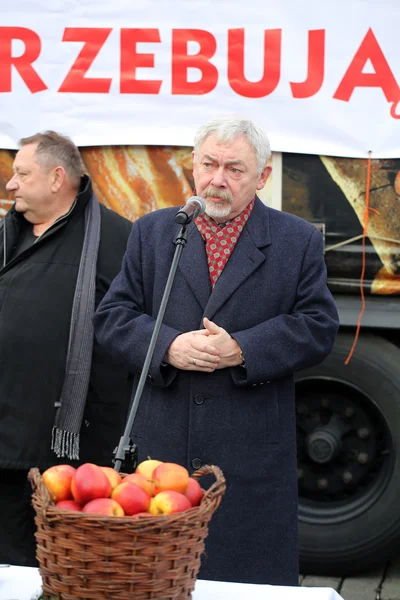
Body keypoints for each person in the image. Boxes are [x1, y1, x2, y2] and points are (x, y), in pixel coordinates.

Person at [93, 116, 339, 585]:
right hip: (159, 455)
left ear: (263, 177)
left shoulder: (296, 240)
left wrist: (241, 349)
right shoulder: (153, 232)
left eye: (234, 169)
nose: (216, 180)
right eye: (208, 164)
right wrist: (168, 346)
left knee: (241, 582)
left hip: (246, 459)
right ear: (192, 165)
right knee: (154, 582)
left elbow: (317, 326)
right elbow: (112, 318)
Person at [0, 131, 133, 567]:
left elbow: (134, 329)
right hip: (3, 437)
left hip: (64, 452)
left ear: (57, 178)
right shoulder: (8, 233)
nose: (10, 184)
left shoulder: (117, 239)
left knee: (58, 565)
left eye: (21, 173)